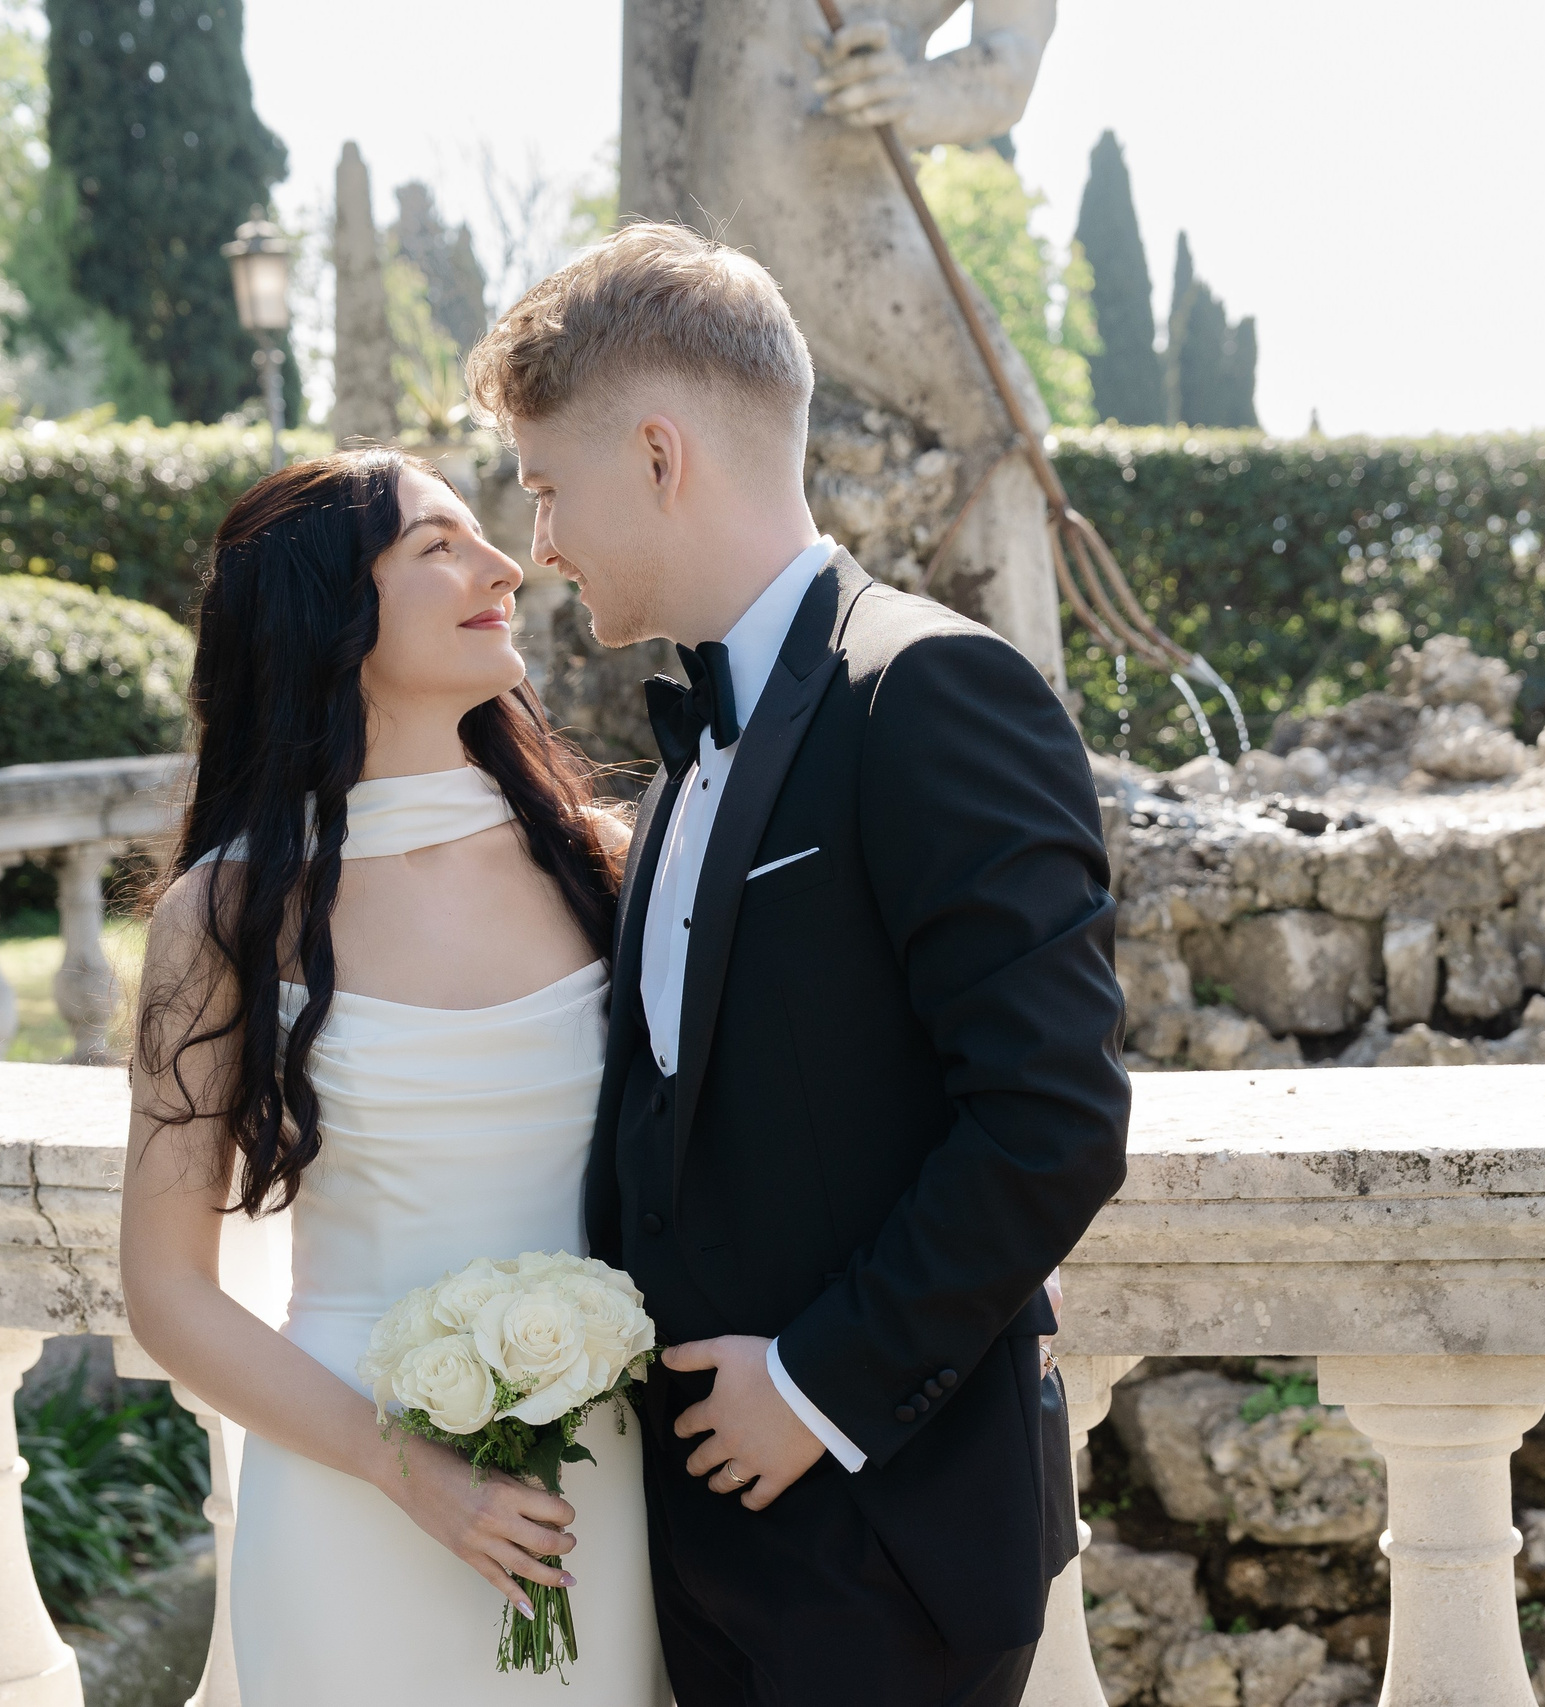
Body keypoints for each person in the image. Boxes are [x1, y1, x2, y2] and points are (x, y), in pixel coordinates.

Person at [465, 222, 1132, 1706]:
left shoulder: (934, 691)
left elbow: (1053, 1116)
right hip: (704, 1548)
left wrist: (820, 1385)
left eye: (547, 485)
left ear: (658, 454)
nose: (542, 542)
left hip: (880, 1538)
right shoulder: (703, 737)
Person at [119, 449, 670, 1703]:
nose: (506, 567)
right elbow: (165, 1292)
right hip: (349, 1497)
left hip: (594, 1492)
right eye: (438, 547)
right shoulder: (225, 916)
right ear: (328, 614)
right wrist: (408, 1471)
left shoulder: (605, 866)